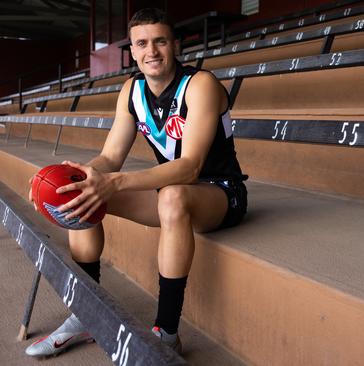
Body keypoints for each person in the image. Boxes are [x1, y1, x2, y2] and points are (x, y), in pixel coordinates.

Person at [25, 8, 247, 357]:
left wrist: (116, 182)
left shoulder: (200, 85)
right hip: (170, 193)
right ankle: (85, 313)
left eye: (160, 41)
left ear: (174, 45)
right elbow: (110, 158)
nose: (151, 51)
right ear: (133, 49)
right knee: (84, 193)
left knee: (173, 196)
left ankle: (166, 333)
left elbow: (190, 168)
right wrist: (76, 177)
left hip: (219, 194)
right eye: (142, 43)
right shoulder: (132, 90)